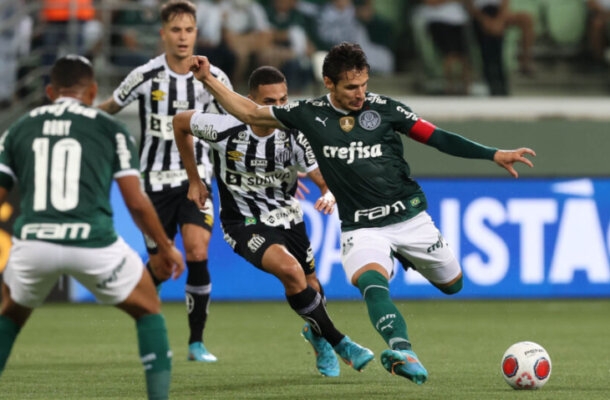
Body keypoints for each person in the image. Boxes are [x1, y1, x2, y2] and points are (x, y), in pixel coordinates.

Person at [187, 42, 536, 384]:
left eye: (364, 84)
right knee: (371, 282)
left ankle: (404, 259)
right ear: (329, 84)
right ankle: (405, 353)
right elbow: (248, 112)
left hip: (410, 218)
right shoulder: (308, 115)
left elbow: (437, 137)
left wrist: (493, 154)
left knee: (453, 284)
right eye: (351, 87)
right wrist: (207, 79)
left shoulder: (385, 109)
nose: (360, 94)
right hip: (362, 226)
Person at [0, 54, 185, 400]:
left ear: (51, 90)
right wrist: (162, 246)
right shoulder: (109, 128)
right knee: (148, 308)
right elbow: (135, 200)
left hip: (34, 242)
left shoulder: (20, 127)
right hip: (93, 243)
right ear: (92, 92)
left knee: (10, 312)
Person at [173, 65, 375, 377]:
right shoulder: (224, 128)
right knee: (291, 271)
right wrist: (195, 180)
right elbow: (180, 123)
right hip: (243, 221)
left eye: (283, 100)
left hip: (289, 216)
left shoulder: (293, 130)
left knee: (311, 285)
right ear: (249, 100)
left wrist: (327, 190)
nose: (278, 108)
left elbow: (317, 173)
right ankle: (341, 342)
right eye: (269, 101)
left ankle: (316, 336)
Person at [98, 0, 232, 363]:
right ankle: (143, 313)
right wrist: (81, 120)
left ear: (196, 33)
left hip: (197, 181)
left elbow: (237, 114)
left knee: (198, 251)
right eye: (176, 30)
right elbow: (110, 107)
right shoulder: (144, 75)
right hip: (154, 184)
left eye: (189, 30)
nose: (183, 36)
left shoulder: (213, 77)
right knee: (159, 267)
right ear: (163, 34)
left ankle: (196, 343)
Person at [466, 0, 536, 95]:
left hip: (499, 14)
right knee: (490, 38)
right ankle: (493, 78)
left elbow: (505, 3)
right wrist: (484, 20)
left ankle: (525, 61)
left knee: (526, 19)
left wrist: (499, 21)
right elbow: (469, 5)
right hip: (480, 16)